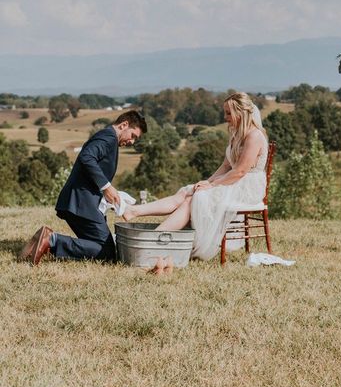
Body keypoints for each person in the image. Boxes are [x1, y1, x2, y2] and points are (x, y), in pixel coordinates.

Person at [123, 92, 268, 261]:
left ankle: (153, 240)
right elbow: (226, 166)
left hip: (247, 187)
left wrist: (212, 186)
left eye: (229, 113)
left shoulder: (254, 136)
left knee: (193, 199)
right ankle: (135, 211)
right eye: (225, 112)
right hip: (232, 181)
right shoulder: (236, 134)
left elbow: (240, 171)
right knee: (188, 191)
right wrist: (207, 181)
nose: (225, 117)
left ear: (241, 112)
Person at [19, 110, 147, 265]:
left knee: (98, 245)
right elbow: (86, 156)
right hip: (81, 204)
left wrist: (108, 195)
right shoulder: (108, 137)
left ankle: (43, 242)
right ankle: (51, 240)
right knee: (107, 252)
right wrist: (106, 186)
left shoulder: (108, 137)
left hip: (80, 203)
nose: (132, 142)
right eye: (133, 136)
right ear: (124, 125)